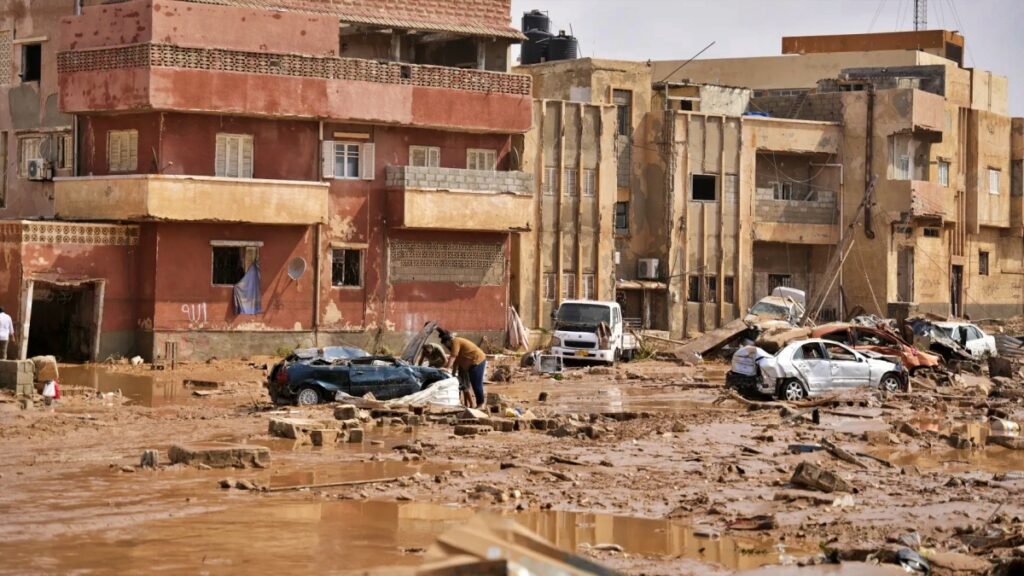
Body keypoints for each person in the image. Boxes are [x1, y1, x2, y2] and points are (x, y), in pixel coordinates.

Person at [438, 328, 487, 408]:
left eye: (446, 344)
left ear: (448, 341)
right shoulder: (454, 344)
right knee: (472, 384)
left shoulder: (455, 341)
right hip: (470, 364)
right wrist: (453, 373)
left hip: (477, 360)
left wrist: (446, 368)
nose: (446, 346)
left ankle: (480, 404)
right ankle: (477, 404)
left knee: (476, 384)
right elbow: (456, 361)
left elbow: (453, 357)